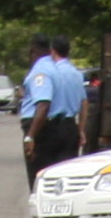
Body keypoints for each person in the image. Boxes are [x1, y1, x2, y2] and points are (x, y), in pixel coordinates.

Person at [23, 40, 88, 178]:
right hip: (70, 126)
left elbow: (44, 104)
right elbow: (84, 103)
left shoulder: (44, 72)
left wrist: (30, 136)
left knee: (41, 176)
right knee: (65, 175)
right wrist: (81, 130)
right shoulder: (75, 73)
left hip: (47, 126)